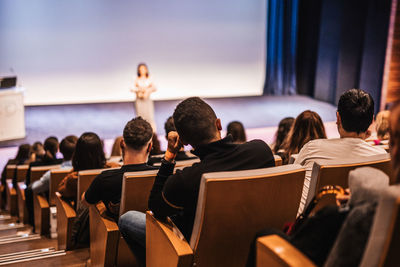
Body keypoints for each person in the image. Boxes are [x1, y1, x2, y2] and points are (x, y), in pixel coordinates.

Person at [118, 97, 276, 265]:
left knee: (127, 219)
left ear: (184, 142)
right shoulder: (261, 151)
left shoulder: (186, 180)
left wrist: (170, 157)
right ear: (219, 124)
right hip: (257, 246)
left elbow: (156, 207)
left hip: (203, 255)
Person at [294, 89, 387, 213]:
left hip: (312, 225)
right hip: (356, 226)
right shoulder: (381, 156)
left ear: (338, 118)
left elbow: (292, 188)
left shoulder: (312, 148)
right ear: (372, 121)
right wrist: (360, 139)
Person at [83, 117, 158, 219]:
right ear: (150, 147)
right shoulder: (159, 176)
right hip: (154, 232)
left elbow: (86, 201)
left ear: (122, 143)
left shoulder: (104, 179)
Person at [57, 132, 118, 201]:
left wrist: (75, 169)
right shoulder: (113, 168)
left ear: (77, 152)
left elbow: (61, 190)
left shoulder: (74, 178)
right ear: (100, 150)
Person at [25, 136, 62, 228]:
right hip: (60, 197)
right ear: (57, 148)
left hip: (42, 197)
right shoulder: (61, 164)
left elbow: (28, 183)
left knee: (28, 189)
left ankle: (32, 222)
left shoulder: (34, 165)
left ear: (44, 147)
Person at [131, 63, 157, 131]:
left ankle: (153, 135)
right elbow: (132, 88)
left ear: (146, 70)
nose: (142, 71)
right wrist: (139, 90)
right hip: (139, 100)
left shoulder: (149, 78)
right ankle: (141, 133)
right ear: (138, 71)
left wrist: (147, 90)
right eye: (140, 69)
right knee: (140, 117)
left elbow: (154, 88)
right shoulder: (136, 79)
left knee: (150, 117)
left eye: (143, 69)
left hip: (147, 100)